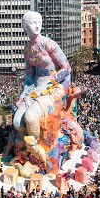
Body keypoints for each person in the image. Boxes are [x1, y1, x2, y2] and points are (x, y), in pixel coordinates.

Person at [13, 11, 71, 140]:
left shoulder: (49, 44)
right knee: (17, 122)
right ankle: (26, 147)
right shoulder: (27, 49)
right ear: (25, 26)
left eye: (39, 22)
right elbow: (29, 76)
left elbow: (67, 68)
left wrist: (49, 83)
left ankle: (38, 150)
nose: (37, 25)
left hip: (53, 87)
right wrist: (23, 96)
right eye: (34, 22)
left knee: (30, 117)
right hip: (35, 89)